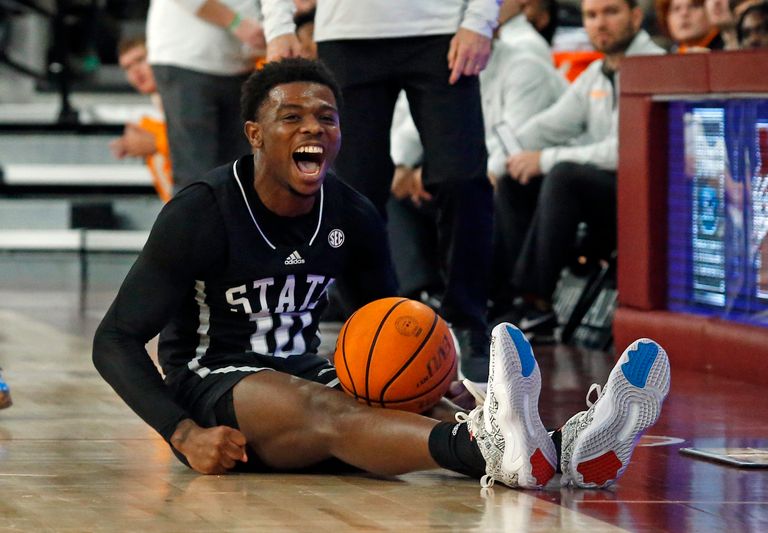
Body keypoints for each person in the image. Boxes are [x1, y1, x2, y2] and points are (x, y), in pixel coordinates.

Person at [92, 58, 671, 490]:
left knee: (414, 401)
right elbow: (114, 339)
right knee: (329, 410)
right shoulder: (203, 211)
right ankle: (494, 450)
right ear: (255, 133)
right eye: (290, 117)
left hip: (303, 368)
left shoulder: (353, 213)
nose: (312, 129)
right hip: (212, 384)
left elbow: (391, 328)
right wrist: (183, 433)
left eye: (326, 118)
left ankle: (567, 452)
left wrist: (431, 378)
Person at [261, 0, 498, 382]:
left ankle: (468, 321)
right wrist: (278, 26)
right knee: (354, 192)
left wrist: (481, 20)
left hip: (441, 28)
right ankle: (374, 323)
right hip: (347, 35)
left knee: (462, 178)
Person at [486, 0, 664, 339]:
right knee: (515, 182)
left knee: (564, 174)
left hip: (646, 200)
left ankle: (534, 296)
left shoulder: (656, 66)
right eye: (592, 15)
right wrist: (498, 165)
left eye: (611, 12)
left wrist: (543, 159)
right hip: (605, 195)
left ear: (636, 17)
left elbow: (629, 150)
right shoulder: (597, 74)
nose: (600, 23)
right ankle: (515, 301)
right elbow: (544, 127)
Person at [388, 28, 567, 352]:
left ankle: (502, 301)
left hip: (511, 174)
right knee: (394, 189)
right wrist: (402, 166)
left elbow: (518, 137)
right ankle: (422, 295)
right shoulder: (441, 65)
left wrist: (480, 172)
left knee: (475, 188)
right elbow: (413, 126)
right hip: (463, 170)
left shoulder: (524, 66)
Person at [146, 0, 265, 191]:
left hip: (240, 64)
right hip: (188, 60)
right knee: (197, 178)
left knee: (238, 177)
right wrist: (235, 22)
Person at [109, 36, 173, 203]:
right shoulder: (145, 123)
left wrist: (156, 143)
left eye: (140, 60)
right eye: (127, 68)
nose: (135, 72)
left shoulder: (188, 100)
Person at [655, 0, 723, 52]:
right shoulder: (664, 54)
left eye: (693, 6)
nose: (684, 13)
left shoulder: (729, 46)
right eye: (676, 9)